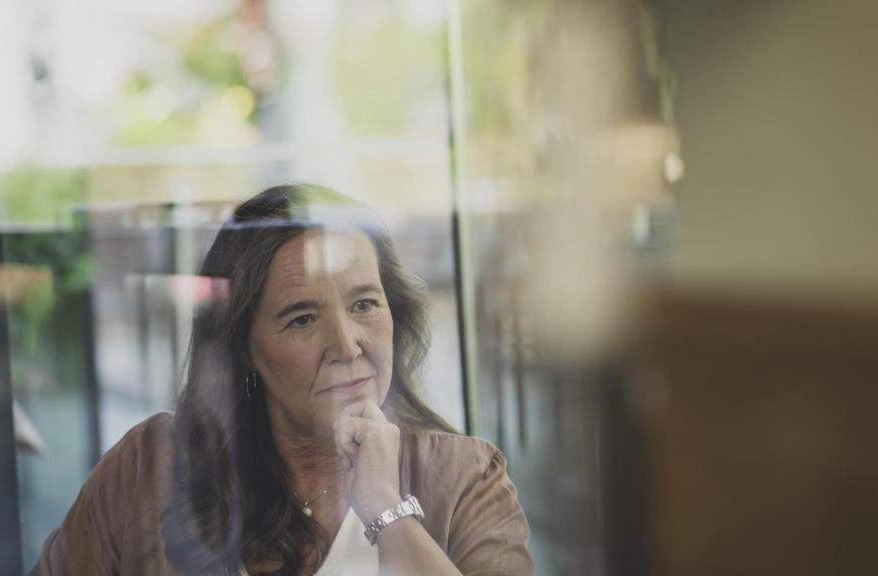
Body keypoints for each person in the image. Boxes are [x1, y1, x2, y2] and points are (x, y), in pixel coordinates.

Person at [35, 184, 533, 575]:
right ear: (243, 348)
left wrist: (388, 510)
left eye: (364, 303)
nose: (346, 345)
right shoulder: (148, 468)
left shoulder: (467, 478)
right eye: (301, 318)